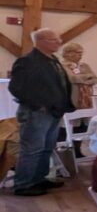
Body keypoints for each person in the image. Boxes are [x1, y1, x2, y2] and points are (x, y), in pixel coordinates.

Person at [9, 28, 74, 196]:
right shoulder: (28, 61)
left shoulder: (53, 60)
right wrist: (39, 105)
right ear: (41, 42)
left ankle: (38, 179)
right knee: (32, 148)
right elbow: (16, 87)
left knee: (46, 147)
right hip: (36, 112)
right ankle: (23, 184)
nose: (59, 42)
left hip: (54, 111)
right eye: (54, 39)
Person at [60, 42, 97, 111]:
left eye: (81, 52)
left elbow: (95, 79)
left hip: (86, 98)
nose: (80, 55)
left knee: (87, 119)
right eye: (78, 52)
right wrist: (88, 76)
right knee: (73, 120)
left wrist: (83, 79)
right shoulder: (62, 66)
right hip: (72, 98)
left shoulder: (84, 65)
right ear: (68, 53)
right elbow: (72, 78)